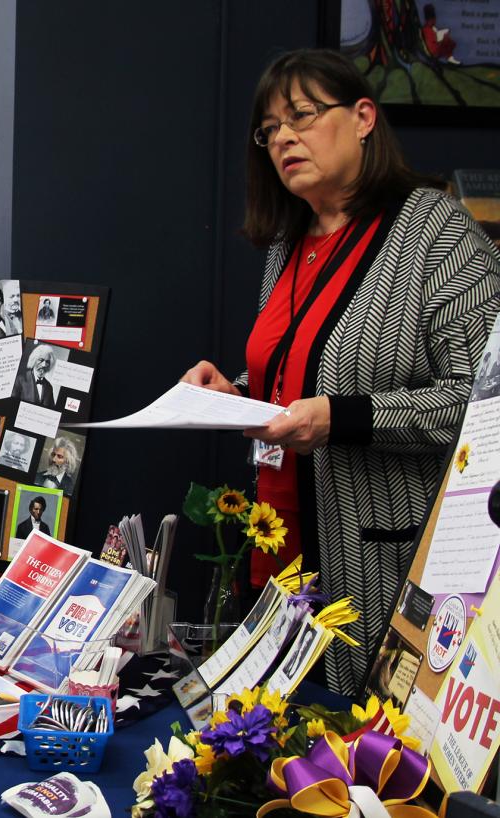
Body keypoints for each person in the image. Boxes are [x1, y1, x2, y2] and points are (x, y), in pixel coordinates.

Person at [181, 49, 500, 695]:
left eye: (301, 115)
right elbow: (301, 374)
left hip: (382, 559)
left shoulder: (437, 233)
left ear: (362, 117)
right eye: (269, 130)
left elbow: (481, 404)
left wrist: (342, 419)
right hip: (280, 553)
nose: (283, 139)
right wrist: (236, 394)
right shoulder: (288, 244)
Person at [12, 343, 58, 408]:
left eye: (47, 362)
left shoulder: (49, 387)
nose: (44, 365)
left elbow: (52, 409)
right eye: (41, 360)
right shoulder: (20, 380)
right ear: (34, 360)